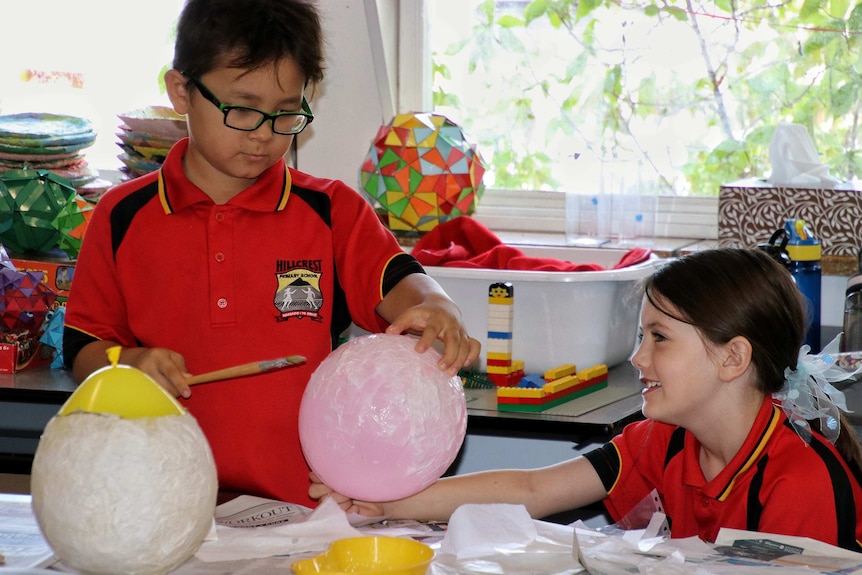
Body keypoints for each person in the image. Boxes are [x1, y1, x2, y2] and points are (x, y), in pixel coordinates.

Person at [62, 0, 480, 506]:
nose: (263, 134)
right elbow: (84, 350)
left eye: (286, 113)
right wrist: (128, 363)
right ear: (181, 92)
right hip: (163, 504)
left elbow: (403, 284)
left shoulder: (330, 211)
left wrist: (439, 309)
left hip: (305, 510)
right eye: (242, 109)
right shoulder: (121, 214)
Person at [311, 247, 862, 551]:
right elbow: (533, 487)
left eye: (659, 339)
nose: (638, 358)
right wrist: (388, 506)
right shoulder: (663, 441)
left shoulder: (799, 482)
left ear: (732, 358)